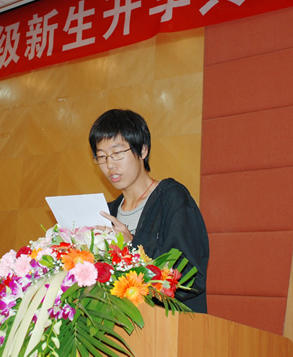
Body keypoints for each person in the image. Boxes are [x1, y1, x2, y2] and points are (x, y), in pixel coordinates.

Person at [89, 109, 209, 313]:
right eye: (102, 156)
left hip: (170, 326)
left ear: (143, 150)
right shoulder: (106, 213)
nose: (109, 164)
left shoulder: (172, 198)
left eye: (117, 153)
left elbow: (191, 277)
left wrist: (133, 245)